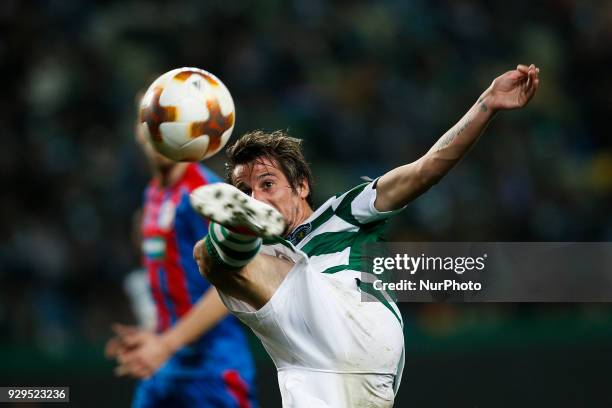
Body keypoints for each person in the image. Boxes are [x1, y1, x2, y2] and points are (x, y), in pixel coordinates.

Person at [190, 64, 540, 407]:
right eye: (245, 192)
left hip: (351, 318)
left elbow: (425, 169)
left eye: (267, 184)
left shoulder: (345, 211)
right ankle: (230, 234)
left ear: (301, 186)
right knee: (213, 261)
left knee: (211, 256)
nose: (259, 198)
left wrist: (488, 103)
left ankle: (229, 231)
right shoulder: (267, 250)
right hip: (318, 371)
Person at [105, 121, 258, 408]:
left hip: (212, 370)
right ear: (139, 131)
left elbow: (234, 281)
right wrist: (155, 333)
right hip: (166, 366)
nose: (162, 132)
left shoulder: (207, 193)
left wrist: (165, 344)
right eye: (152, 120)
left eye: (172, 121)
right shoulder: (153, 193)